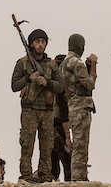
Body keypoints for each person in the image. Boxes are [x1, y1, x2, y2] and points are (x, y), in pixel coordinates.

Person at [11, 28, 63, 183]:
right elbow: (14, 85)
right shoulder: (22, 63)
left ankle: (45, 176)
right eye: (37, 42)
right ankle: (26, 177)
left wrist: (47, 83)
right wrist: (28, 78)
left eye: (43, 42)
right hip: (29, 110)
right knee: (27, 146)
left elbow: (60, 86)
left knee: (47, 147)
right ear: (31, 44)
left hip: (47, 112)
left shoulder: (52, 65)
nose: (40, 45)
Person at [60, 34, 97, 181]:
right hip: (81, 108)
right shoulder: (76, 62)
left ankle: (77, 178)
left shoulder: (65, 62)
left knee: (78, 146)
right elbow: (89, 84)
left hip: (73, 106)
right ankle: (78, 180)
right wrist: (93, 65)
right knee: (81, 148)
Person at [50, 54, 72, 182]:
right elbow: (63, 111)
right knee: (66, 160)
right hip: (58, 126)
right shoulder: (59, 86)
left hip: (50, 126)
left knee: (53, 162)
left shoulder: (52, 83)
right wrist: (67, 135)